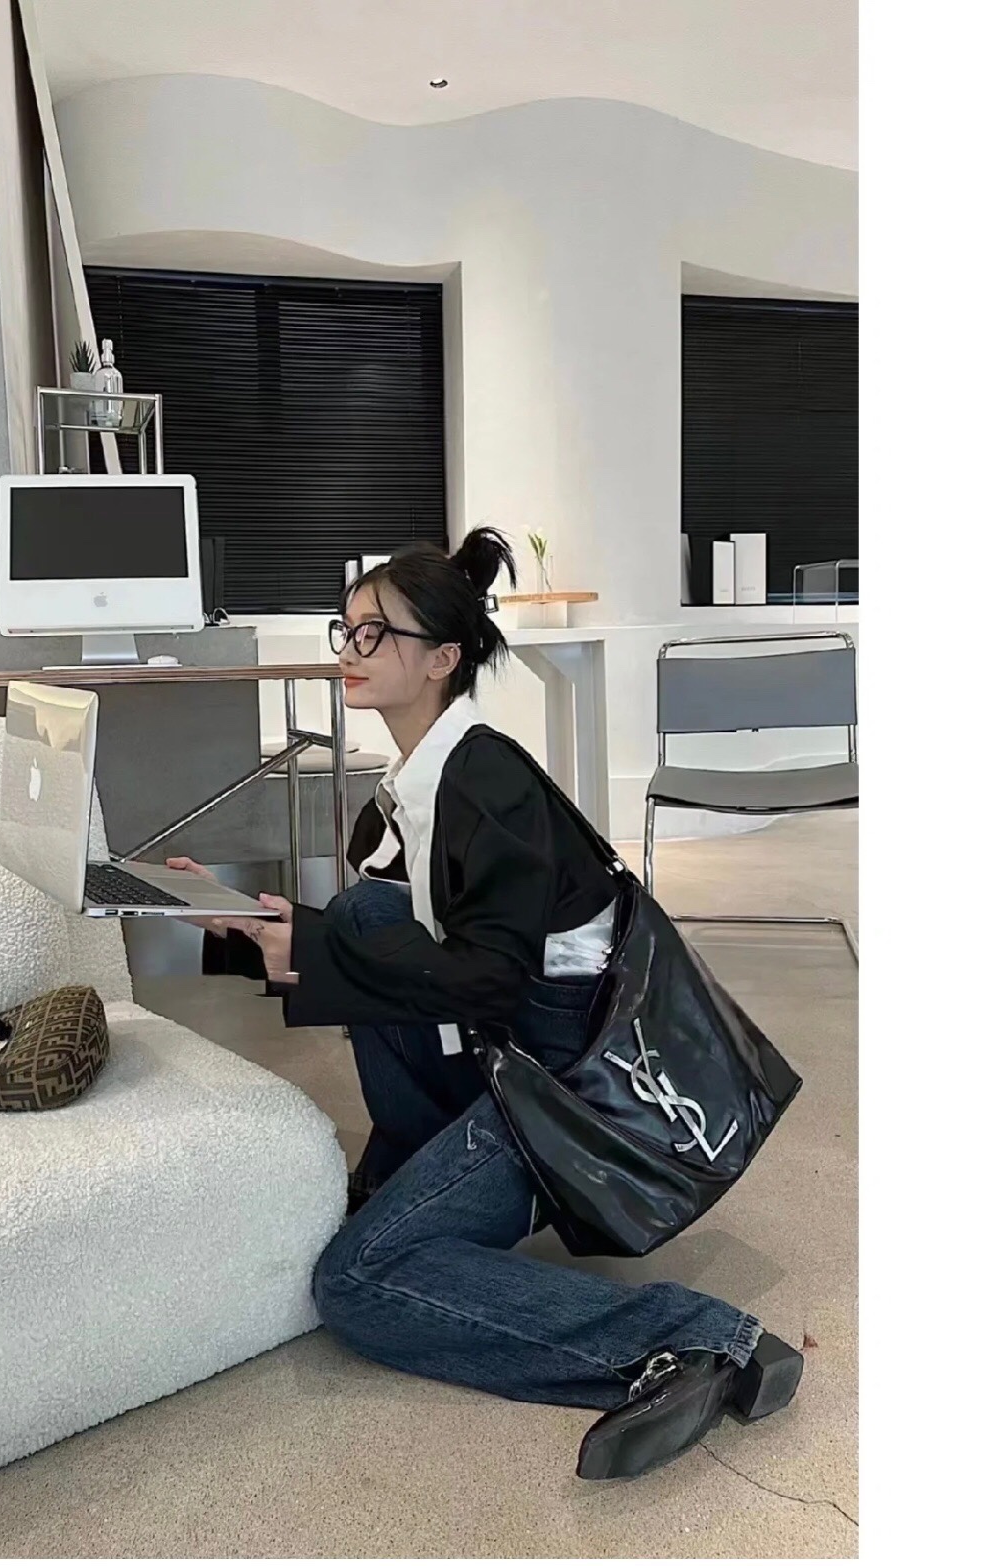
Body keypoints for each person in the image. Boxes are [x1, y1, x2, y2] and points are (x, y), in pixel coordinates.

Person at [168, 528, 802, 1480]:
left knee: (358, 1279)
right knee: (363, 914)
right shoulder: (412, 791)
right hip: (513, 1050)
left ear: (442, 659)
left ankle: (697, 1339)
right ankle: (404, 1180)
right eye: (347, 630)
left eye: (375, 634)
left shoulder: (486, 782)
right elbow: (387, 955)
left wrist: (318, 947)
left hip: (569, 1091)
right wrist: (237, 926)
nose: (350, 650)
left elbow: (488, 982)